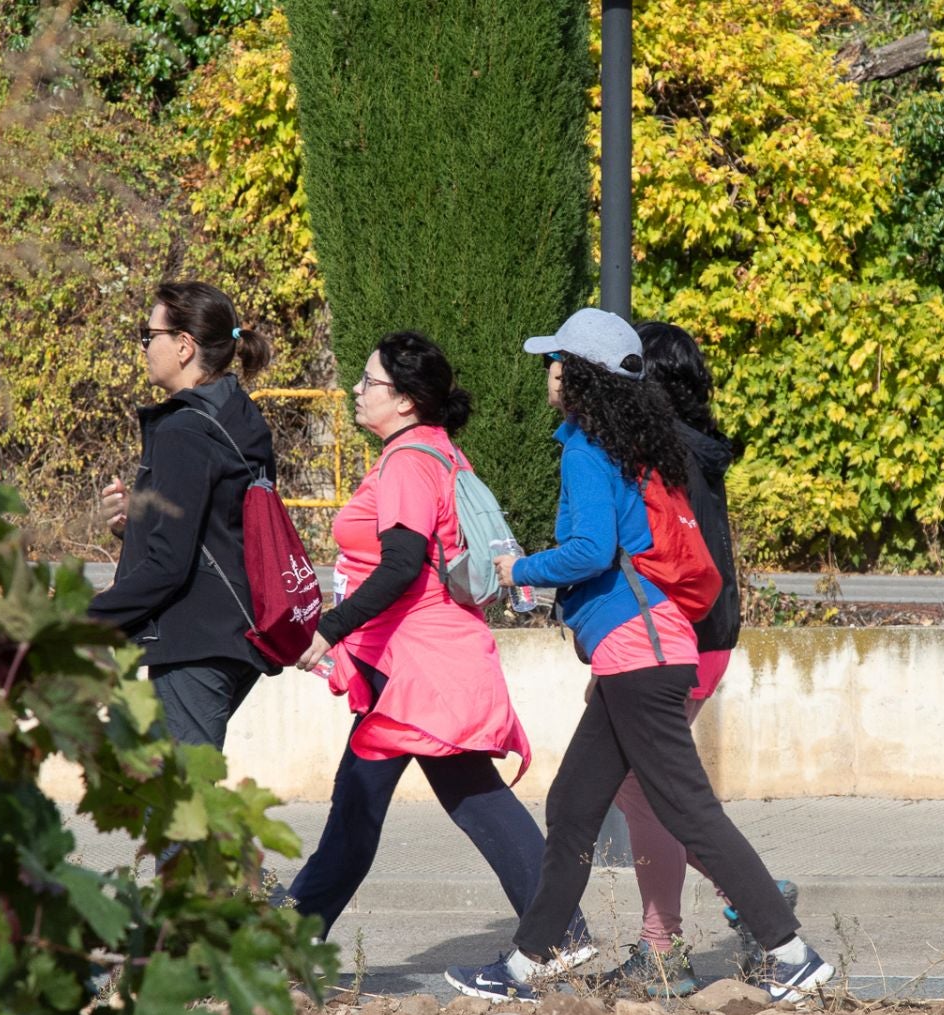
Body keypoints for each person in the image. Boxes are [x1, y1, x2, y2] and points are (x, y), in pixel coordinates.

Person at [444, 309, 830, 1006]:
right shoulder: (625, 448)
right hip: (644, 650)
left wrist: (518, 571)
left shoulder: (587, 452)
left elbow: (591, 550)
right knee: (571, 805)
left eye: (556, 362)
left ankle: (791, 952)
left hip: (641, 655)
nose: (549, 375)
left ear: (583, 376)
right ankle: (529, 962)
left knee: (688, 811)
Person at [282, 331, 593, 964]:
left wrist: (330, 629)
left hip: (414, 667)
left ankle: (280, 948)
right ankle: (563, 934)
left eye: (368, 382)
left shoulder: (406, 462)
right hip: (418, 663)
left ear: (403, 399)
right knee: (392, 805)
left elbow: (400, 565)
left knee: (384, 807)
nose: (356, 391)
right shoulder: (438, 451)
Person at [597, 320, 793, 995]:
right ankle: (722, 909)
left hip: (673, 640)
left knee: (641, 787)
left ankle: (675, 940)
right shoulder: (695, 448)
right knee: (647, 785)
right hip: (705, 636)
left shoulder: (666, 454)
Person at [88, 281, 279, 749]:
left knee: (179, 803)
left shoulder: (183, 431)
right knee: (169, 794)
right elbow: (219, 528)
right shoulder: (240, 416)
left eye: (148, 335)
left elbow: (170, 564)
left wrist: (86, 616)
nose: (144, 347)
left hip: (196, 641)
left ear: (184, 346)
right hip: (236, 633)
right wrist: (136, 527)